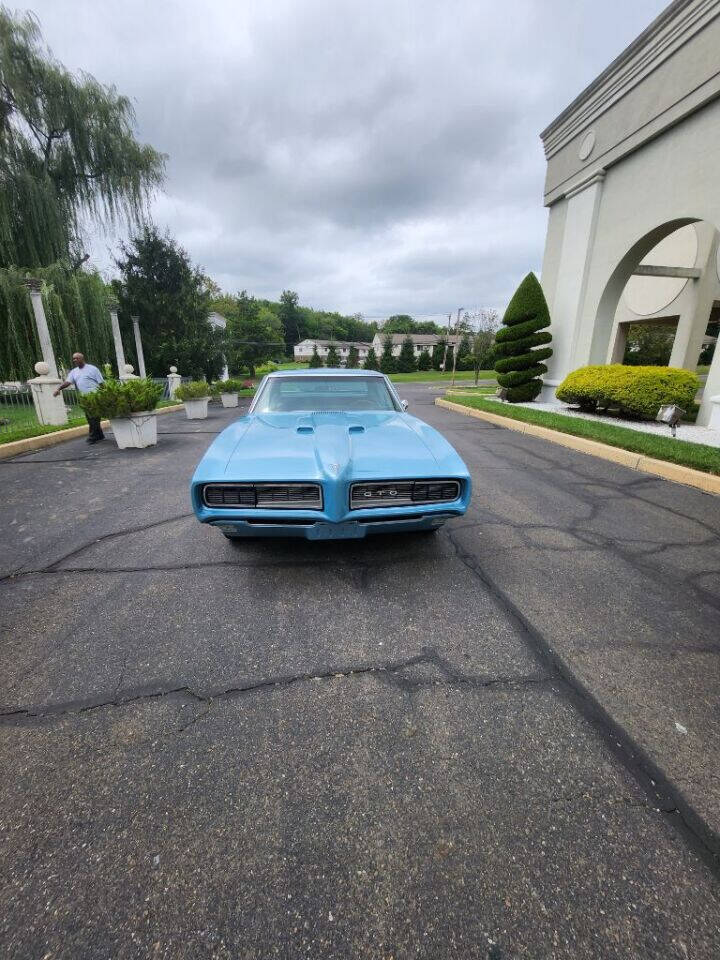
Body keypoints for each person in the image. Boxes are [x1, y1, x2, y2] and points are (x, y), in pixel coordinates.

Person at [54, 352, 106, 444]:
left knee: (93, 417)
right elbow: (68, 382)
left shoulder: (93, 369)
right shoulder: (74, 371)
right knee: (90, 417)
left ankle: (92, 437)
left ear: (82, 359)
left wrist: (105, 395)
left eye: (77, 358)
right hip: (85, 399)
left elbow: (101, 383)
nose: (75, 360)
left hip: (94, 397)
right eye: (74, 359)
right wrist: (59, 388)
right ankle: (100, 435)